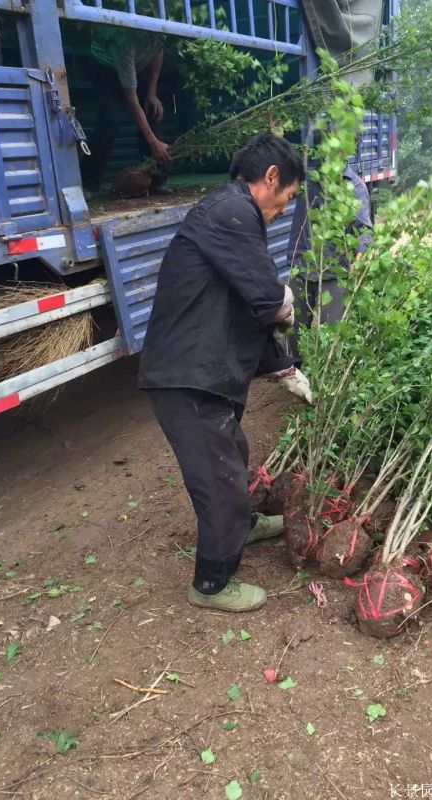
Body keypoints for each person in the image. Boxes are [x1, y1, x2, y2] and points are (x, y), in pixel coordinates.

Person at [138, 134, 305, 612]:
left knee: (233, 449)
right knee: (219, 476)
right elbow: (265, 299)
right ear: (271, 177)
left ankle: (243, 526)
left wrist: (285, 367)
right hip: (185, 376)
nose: (282, 210)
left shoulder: (231, 215)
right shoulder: (232, 213)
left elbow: (244, 304)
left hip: (200, 370)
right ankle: (211, 583)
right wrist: (285, 306)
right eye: (287, 198)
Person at [287, 155, 373, 358]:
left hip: (334, 268)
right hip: (302, 263)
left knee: (332, 332)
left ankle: (327, 379)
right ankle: (297, 371)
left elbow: (364, 230)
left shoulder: (353, 185)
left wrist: (359, 259)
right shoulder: (305, 177)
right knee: (293, 328)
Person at [81, 29, 171, 195]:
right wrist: (153, 143)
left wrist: (152, 93)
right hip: (107, 66)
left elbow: (158, 52)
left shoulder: (158, 30)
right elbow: (131, 99)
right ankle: (89, 184)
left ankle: (157, 181)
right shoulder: (125, 42)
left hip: (138, 65)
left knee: (152, 111)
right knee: (110, 120)